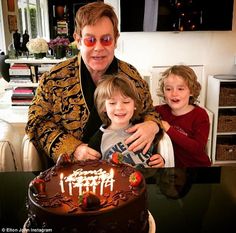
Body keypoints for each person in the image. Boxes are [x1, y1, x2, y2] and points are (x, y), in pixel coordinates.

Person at [25, 2, 161, 164]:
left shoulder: (131, 76)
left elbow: (150, 111)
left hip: (122, 172)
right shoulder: (53, 79)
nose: (98, 48)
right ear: (78, 40)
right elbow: (36, 123)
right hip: (70, 172)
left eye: (106, 39)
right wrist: (72, 148)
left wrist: (152, 125)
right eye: (90, 40)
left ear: (115, 40)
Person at [88, 74, 165, 168]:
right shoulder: (98, 139)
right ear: (104, 107)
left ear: (135, 105)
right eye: (112, 103)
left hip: (148, 179)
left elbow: (155, 153)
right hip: (118, 181)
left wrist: (160, 160)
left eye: (126, 102)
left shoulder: (143, 128)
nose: (120, 107)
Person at [155, 65, 211, 167]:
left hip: (198, 169)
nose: (174, 93)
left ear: (192, 91)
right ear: (163, 92)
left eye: (180, 89)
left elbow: (197, 148)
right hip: (173, 170)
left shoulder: (200, 115)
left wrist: (169, 129)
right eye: (168, 89)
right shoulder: (160, 111)